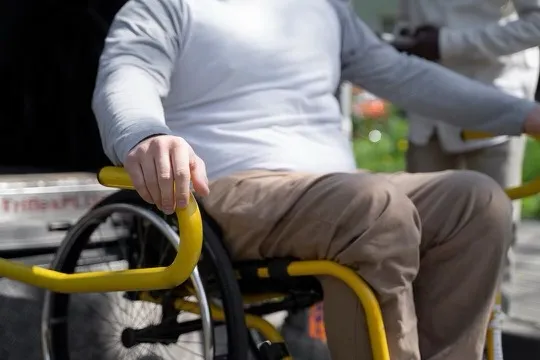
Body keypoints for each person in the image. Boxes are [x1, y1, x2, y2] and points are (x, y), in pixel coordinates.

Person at [92, 0, 540, 359]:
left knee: (479, 201)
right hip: (234, 191)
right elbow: (127, 76)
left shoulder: (325, 8)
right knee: (374, 205)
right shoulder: (164, 6)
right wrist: (146, 134)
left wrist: (524, 115)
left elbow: (408, 76)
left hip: (339, 190)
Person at [391, 0, 540, 313]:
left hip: (494, 100)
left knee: (492, 238)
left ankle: (493, 338)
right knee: (418, 235)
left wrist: (448, 44)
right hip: (428, 105)